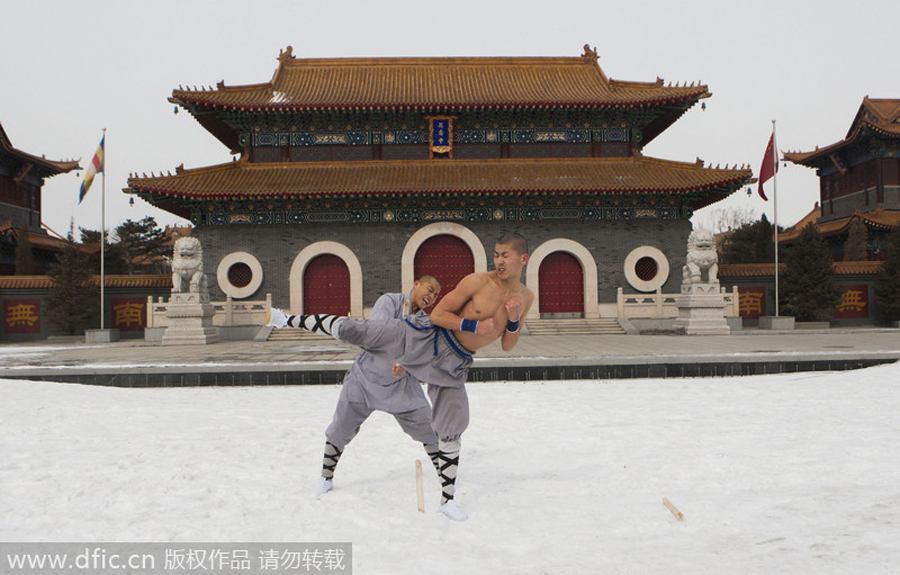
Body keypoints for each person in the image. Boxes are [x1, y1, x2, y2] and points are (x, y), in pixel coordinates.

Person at [269, 232, 534, 521]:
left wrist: (511, 319)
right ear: (416, 284)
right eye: (496, 254)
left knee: (451, 426)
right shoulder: (475, 282)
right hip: (420, 347)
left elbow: (508, 345)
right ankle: (286, 320)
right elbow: (437, 316)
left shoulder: (524, 298)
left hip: (452, 364)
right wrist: (474, 325)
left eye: (504, 255)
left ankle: (447, 500)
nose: (498, 260)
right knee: (358, 331)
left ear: (523, 259)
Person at [312, 275, 442, 498]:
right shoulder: (389, 302)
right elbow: (379, 334)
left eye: (436, 295)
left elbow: (422, 353)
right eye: (429, 290)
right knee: (341, 427)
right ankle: (326, 476)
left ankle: (446, 477)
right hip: (365, 379)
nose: (431, 297)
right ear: (417, 283)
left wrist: (407, 365)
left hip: (401, 386)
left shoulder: (424, 322)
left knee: (430, 428)